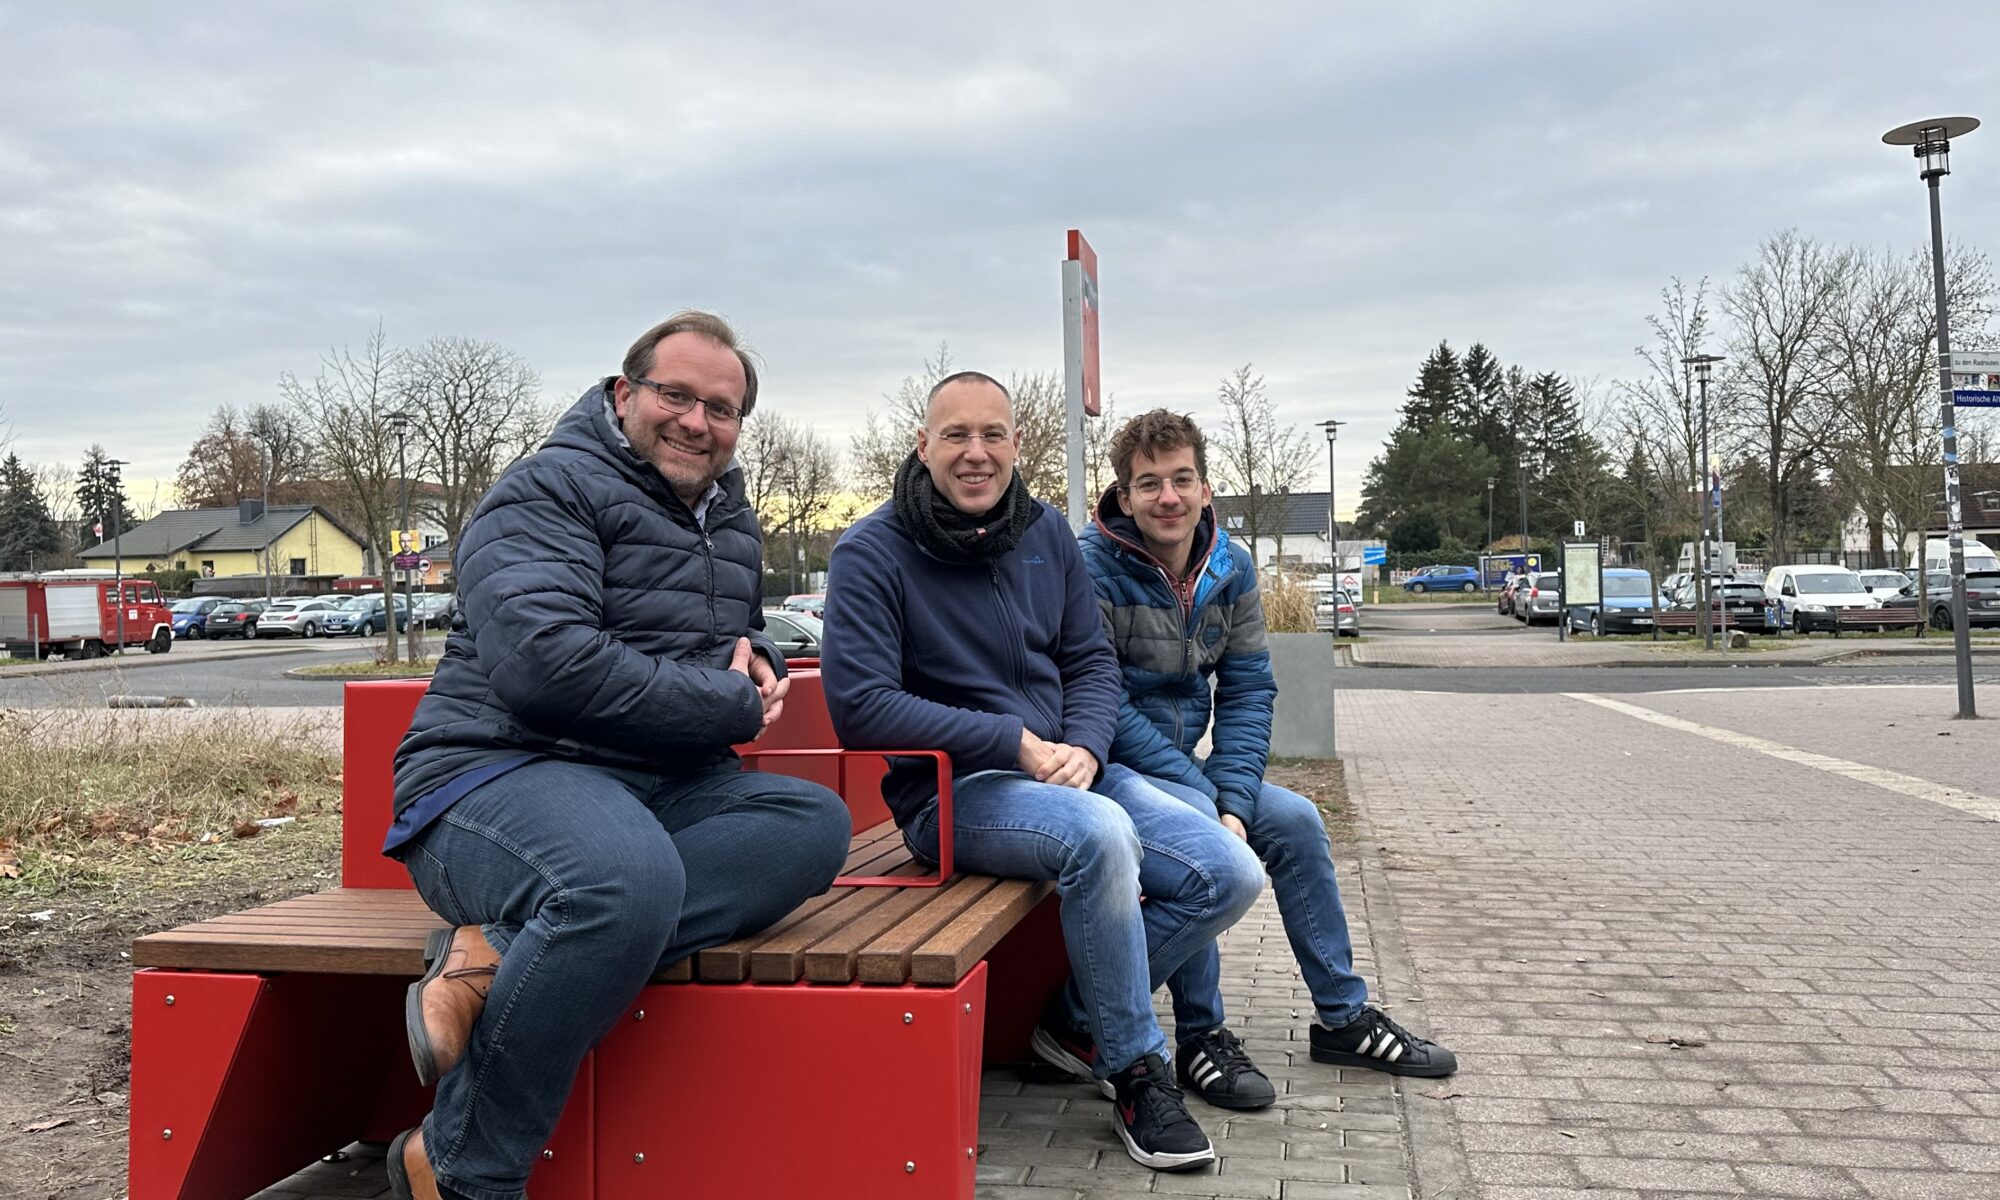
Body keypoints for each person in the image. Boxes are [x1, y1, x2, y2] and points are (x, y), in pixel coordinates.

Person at [382, 312, 853, 1200]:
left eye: (721, 407)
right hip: (495, 777)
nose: (696, 421)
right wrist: (728, 701)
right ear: (623, 393)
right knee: (619, 885)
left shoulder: (727, 514)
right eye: (676, 395)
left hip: (655, 781)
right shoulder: (546, 491)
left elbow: (713, 632)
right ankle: (461, 1166)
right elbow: (544, 668)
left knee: (811, 824)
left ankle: (495, 951)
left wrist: (762, 659)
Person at [821, 373, 1264, 1172]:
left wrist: (1090, 747)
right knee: (1100, 835)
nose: (976, 453)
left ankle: (1072, 1023)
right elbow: (861, 707)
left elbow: (1090, 662)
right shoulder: (870, 550)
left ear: (1018, 444)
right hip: (956, 794)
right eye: (956, 435)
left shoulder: (1046, 537)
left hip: (1071, 768)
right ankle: (1135, 1068)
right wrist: (1012, 742)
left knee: (1229, 871)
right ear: (924, 446)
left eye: (993, 434)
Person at [1077, 409, 1457, 1110]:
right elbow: (1106, 704)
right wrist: (1207, 800)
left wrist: (1235, 799)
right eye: (1149, 483)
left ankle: (1343, 1016)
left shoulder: (1231, 565)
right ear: (1124, 497)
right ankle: (1200, 1036)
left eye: (1182, 479)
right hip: (1112, 767)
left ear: (1206, 487)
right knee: (1199, 832)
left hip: (1190, 768)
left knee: (1301, 822)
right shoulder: (1090, 565)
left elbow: (1250, 688)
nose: (1168, 497)